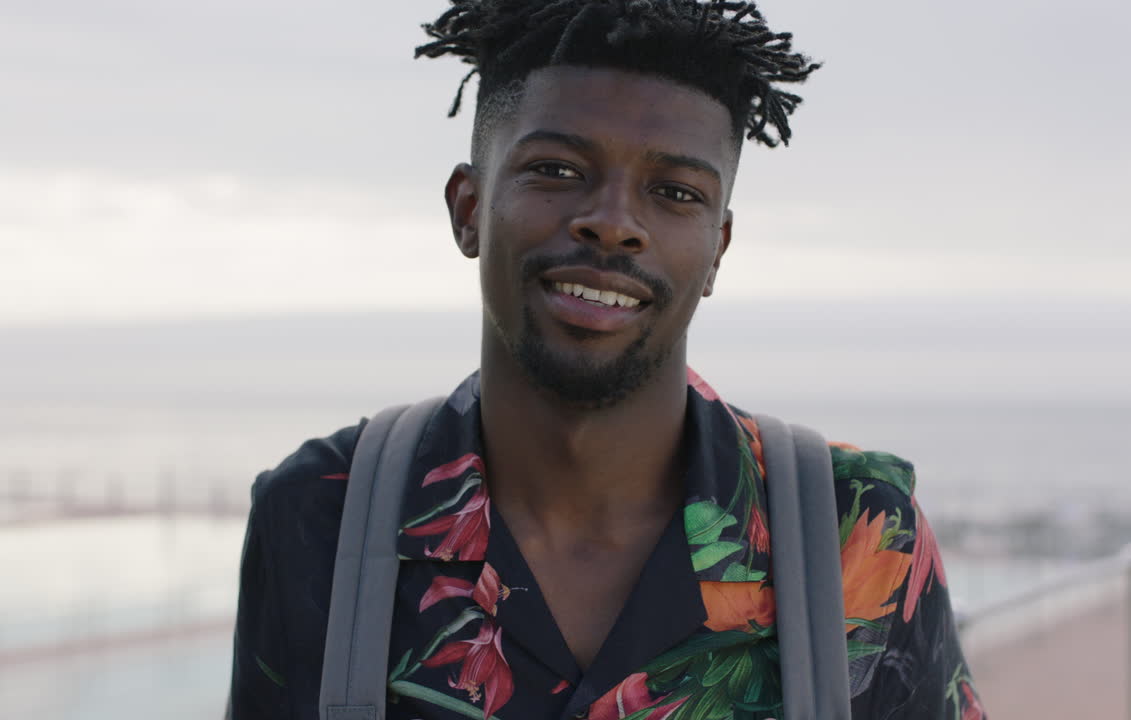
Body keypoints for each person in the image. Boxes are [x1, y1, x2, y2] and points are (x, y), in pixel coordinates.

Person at [227, 1, 985, 718]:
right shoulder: (319, 517)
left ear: (717, 251)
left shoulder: (858, 530)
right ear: (468, 209)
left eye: (675, 192)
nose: (613, 223)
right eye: (557, 170)